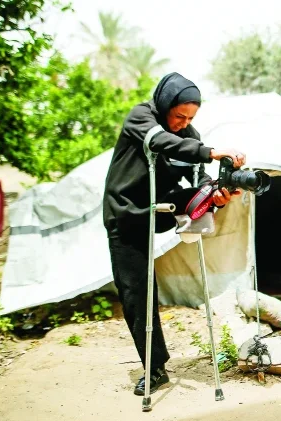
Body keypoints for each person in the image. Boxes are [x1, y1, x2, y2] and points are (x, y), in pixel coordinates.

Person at [103, 72, 245, 396]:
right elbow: (163, 143)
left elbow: (196, 173)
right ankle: (155, 369)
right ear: (165, 104)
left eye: (190, 118)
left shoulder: (187, 133)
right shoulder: (142, 117)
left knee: (208, 193)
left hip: (159, 206)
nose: (183, 123)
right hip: (126, 216)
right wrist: (210, 151)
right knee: (137, 295)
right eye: (179, 115)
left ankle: (220, 197)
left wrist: (216, 195)